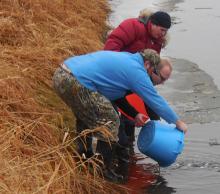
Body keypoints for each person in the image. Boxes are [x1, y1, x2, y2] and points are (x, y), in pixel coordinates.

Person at [53, 49, 188, 182]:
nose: (161, 82)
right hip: (73, 80)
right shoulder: (137, 72)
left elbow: (115, 96)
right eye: (161, 78)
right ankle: (103, 169)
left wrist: (134, 114)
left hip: (63, 73)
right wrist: (177, 122)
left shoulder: (129, 61)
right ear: (148, 65)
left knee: (89, 115)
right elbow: (155, 100)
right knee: (110, 120)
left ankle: (84, 157)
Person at [104, 10, 172, 149]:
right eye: (162, 30)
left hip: (130, 86)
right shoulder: (133, 26)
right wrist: (124, 71)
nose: (163, 34)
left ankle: (127, 155)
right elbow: (111, 48)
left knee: (129, 124)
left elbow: (147, 76)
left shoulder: (157, 43)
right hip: (114, 80)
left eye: (166, 32)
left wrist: (157, 123)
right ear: (152, 24)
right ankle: (106, 158)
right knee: (114, 123)